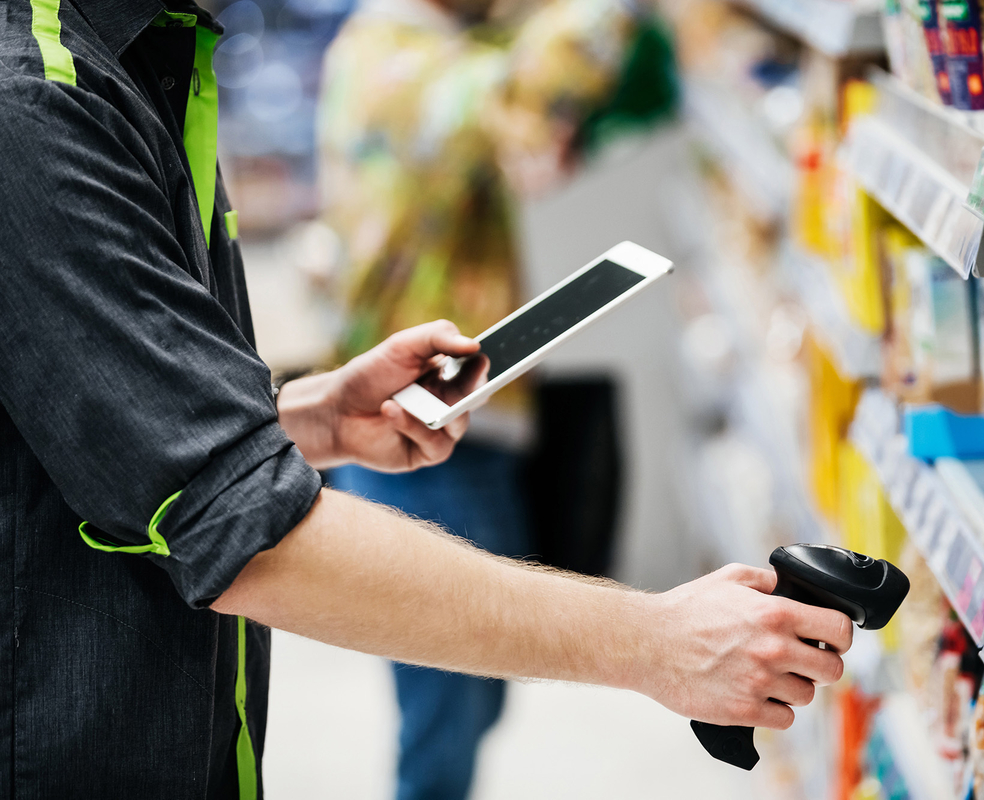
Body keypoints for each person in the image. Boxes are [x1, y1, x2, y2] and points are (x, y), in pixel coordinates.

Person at [0, 1, 852, 798]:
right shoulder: (35, 105)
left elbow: (92, 402)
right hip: (65, 748)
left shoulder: (147, 60)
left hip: (159, 732)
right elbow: (245, 533)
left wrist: (300, 419)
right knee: (447, 707)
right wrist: (658, 642)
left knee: (464, 695)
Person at [317, 0, 674, 795]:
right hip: (407, 422)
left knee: (472, 688)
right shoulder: (394, 62)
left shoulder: (425, 46)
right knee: (448, 699)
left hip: (450, 417)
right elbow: (529, 83)